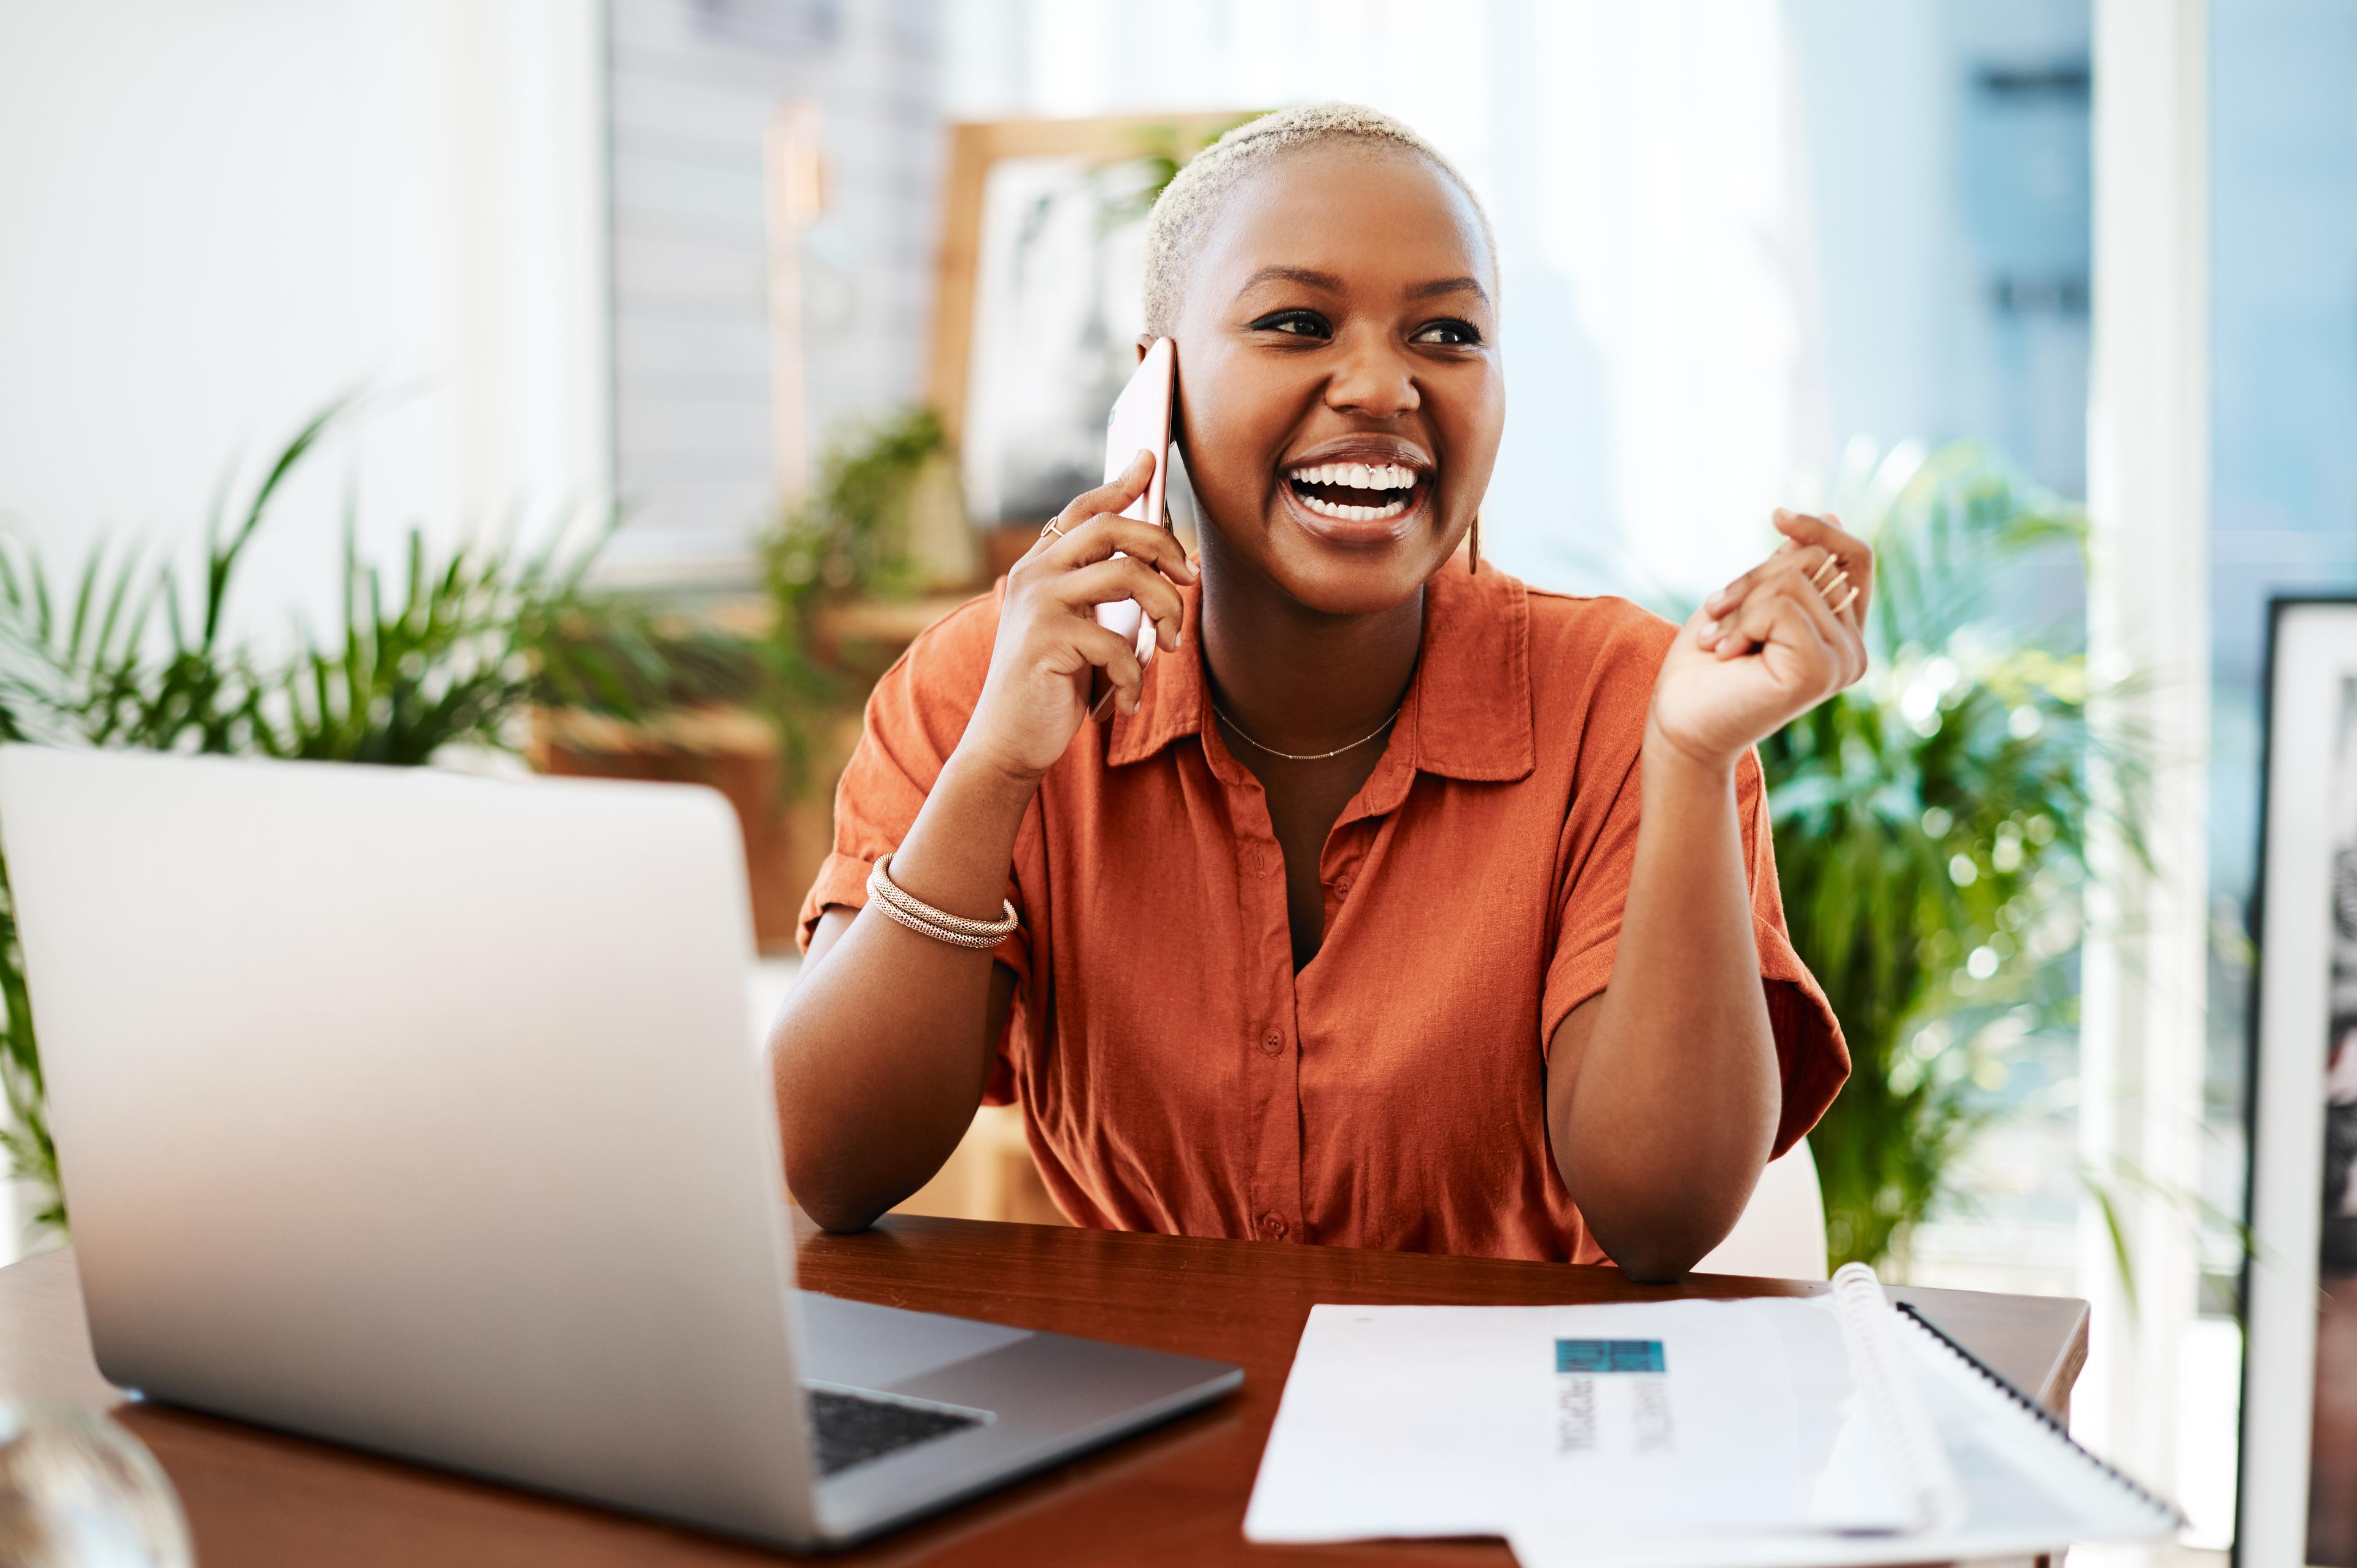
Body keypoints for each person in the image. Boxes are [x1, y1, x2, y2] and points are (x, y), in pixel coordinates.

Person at [768, 104, 1864, 1281]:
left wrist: (1693, 763)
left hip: (1513, 1421)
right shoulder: (980, 687)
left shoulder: (1632, 702)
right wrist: (993, 772)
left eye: (1447, 334)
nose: (1381, 385)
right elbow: (834, 1168)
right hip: (1165, 1415)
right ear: (1158, 389)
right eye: (1297, 322)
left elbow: (1663, 1214)